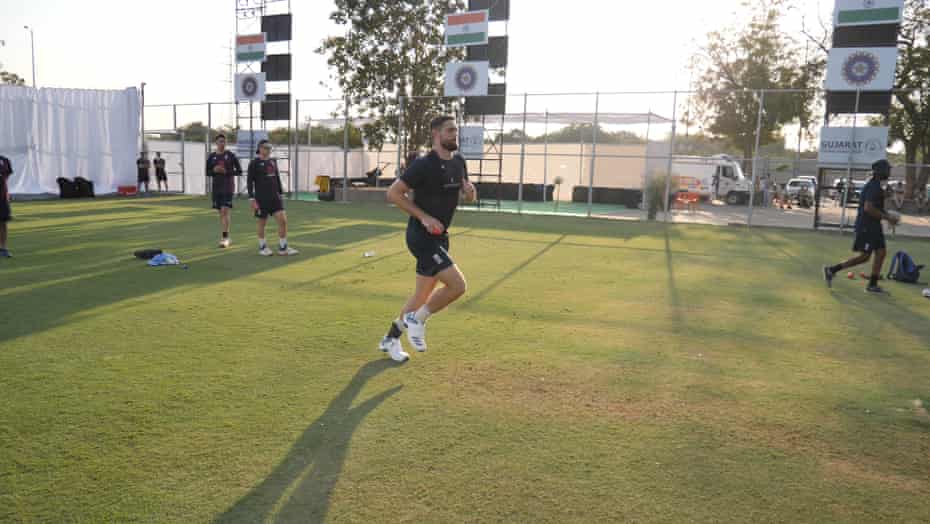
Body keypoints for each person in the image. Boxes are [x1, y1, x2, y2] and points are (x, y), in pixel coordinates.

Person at [378, 116, 477, 363]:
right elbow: (393, 193)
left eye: (456, 130)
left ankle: (390, 339)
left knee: (421, 296)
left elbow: (467, 195)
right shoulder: (423, 165)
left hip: (441, 238)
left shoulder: (459, 162)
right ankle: (417, 321)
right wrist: (424, 217)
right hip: (421, 237)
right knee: (457, 286)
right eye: (449, 130)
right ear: (436, 134)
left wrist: (470, 193)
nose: (455, 134)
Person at [823, 160, 898, 293]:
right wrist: (887, 217)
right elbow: (868, 208)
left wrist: (888, 213)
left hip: (874, 225)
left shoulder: (877, 186)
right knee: (865, 257)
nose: (889, 172)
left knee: (881, 252)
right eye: (887, 170)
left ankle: (872, 284)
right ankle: (832, 270)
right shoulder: (873, 186)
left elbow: (876, 207)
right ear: (881, 172)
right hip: (866, 226)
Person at [248, 140, 298, 257]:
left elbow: (277, 178)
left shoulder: (273, 161)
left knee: (283, 221)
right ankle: (262, 247)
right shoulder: (254, 163)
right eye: (266, 147)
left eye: (270, 147)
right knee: (262, 223)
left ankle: (283, 248)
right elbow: (249, 182)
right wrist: (251, 199)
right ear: (260, 148)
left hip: (275, 198)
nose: (268, 150)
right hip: (261, 199)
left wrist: (280, 193)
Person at [206, 134, 243, 248]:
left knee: (224, 211)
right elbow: (207, 172)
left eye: (224, 141)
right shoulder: (211, 156)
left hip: (228, 187)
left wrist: (226, 171)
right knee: (221, 213)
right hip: (216, 188)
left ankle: (225, 238)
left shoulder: (231, 155)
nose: (222, 143)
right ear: (216, 143)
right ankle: (226, 236)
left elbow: (239, 171)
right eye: (220, 141)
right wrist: (214, 170)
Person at [0, 154, 14, 258]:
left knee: (3, 223)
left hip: (2, 198)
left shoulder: (4, 160)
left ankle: (3, 248)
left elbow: (7, 176)